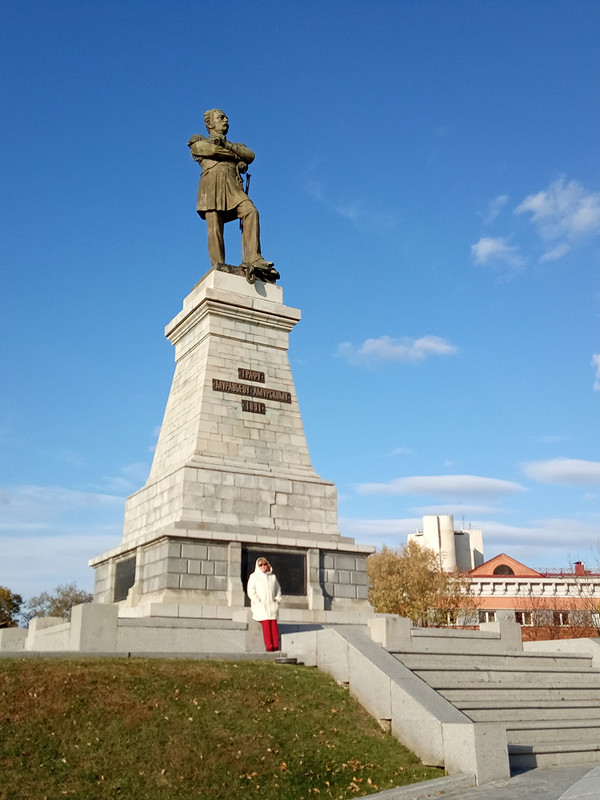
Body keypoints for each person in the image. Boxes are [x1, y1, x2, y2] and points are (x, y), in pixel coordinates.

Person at [188, 109, 274, 270]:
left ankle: (254, 258)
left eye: (226, 117)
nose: (226, 120)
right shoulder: (197, 140)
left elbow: (249, 155)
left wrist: (227, 144)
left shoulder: (234, 145)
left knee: (251, 211)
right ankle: (218, 264)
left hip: (232, 185)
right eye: (221, 117)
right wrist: (235, 156)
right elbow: (211, 150)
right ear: (209, 123)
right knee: (215, 226)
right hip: (211, 186)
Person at [246, 556, 282, 652]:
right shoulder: (253, 577)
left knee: (273, 625)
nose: (263, 566)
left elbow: (278, 589)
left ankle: (275, 646)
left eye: (265, 564)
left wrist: (277, 599)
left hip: (271, 605)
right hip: (260, 606)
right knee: (266, 625)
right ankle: (269, 647)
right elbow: (251, 590)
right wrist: (257, 601)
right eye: (261, 565)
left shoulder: (272, 577)